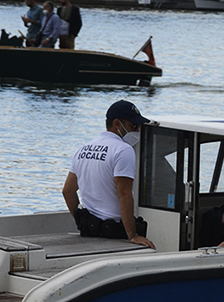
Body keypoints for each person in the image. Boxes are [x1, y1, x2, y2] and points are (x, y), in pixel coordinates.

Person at [62, 100, 156, 249]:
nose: (137, 131)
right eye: (134, 126)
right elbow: (124, 194)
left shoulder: (83, 149)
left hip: (89, 230)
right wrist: (133, 235)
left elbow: (68, 191)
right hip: (114, 232)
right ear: (117, 124)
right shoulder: (123, 150)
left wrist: (82, 223)